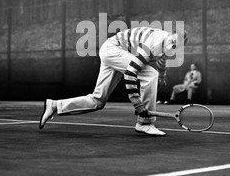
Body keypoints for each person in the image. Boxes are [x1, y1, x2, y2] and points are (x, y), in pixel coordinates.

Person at [40, 27, 188, 137]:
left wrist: (162, 75)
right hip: (114, 49)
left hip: (112, 51)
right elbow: (130, 73)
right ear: (170, 34)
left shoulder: (169, 48)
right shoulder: (155, 42)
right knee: (150, 75)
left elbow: (162, 61)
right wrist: (138, 104)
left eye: (176, 45)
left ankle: (54, 105)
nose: (172, 45)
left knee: (98, 101)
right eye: (172, 41)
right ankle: (145, 123)